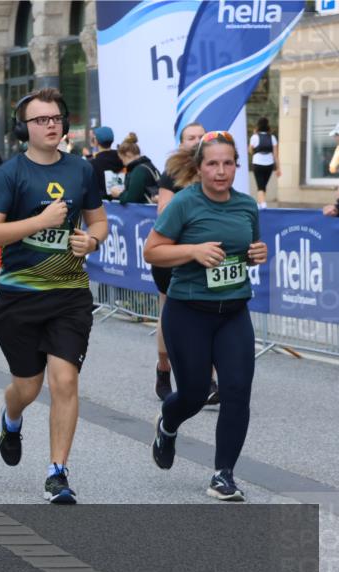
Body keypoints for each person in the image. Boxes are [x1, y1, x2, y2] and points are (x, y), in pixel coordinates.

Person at [0, 87, 108, 504]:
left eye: (56, 118)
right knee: (28, 388)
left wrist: (91, 241)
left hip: (70, 293)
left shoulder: (82, 170)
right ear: (24, 128)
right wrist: (37, 222)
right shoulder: (9, 174)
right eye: (41, 120)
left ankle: (57, 472)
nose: (51, 125)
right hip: (20, 295)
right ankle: (11, 417)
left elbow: (99, 222)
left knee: (65, 380)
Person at [144, 131, 267, 501]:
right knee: (195, 393)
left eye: (228, 163)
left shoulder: (246, 206)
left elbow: (244, 251)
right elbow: (153, 252)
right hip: (188, 311)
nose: (221, 171)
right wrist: (193, 251)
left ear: (236, 167)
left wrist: (254, 255)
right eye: (212, 163)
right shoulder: (184, 203)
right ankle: (168, 423)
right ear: (199, 168)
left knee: (236, 392)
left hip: (233, 311)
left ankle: (222, 474)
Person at [154, 123, 223, 405]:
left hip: (209, 256)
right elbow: (163, 214)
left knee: (210, 315)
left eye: (201, 137)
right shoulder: (171, 173)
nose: (196, 141)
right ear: (181, 143)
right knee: (169, 315)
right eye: (190, 137)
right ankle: (163, 368)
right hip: (175, 255)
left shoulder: (216, 172)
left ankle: (209, 379)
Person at [111, 133, 160, 204]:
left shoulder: (138, 171)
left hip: (144, 213)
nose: (123, 164)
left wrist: (119, 194)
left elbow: (131, 199)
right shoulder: (149, 165)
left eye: (122, 160)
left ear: (127, 154)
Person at [248, 117, 280, 210]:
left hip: (257, 163)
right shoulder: (272, 137)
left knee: (260, 186)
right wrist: (278, 168)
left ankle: (263, 204)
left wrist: (255, 151)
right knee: (263, 185)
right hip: (269, 164)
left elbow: (250, 150)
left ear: (258, 126)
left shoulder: (254, 137)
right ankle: (260, 203)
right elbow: (275, 155)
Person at [88, 126, 122, 200]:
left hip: (103, 206)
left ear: (96, 141)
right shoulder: (122, 159)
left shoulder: (93, 163)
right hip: (123, 204)